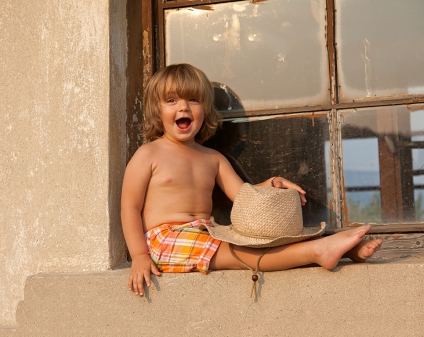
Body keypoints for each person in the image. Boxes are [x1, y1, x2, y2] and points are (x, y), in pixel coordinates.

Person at [121, 63, 383, 296]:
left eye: (193, 100)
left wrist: (273, 183)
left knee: (263, 238)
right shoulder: (149, 154)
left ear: (205, 111)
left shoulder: (213, 159)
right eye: (171, 101)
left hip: (207, 231)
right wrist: (139, 256)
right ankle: (319, 252)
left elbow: (245, 197)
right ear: (157, 112)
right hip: (164, 241)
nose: (183, 107)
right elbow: (130, 207)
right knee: (239, 253)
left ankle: (345, 250)